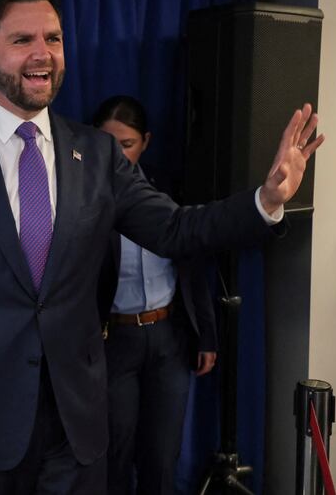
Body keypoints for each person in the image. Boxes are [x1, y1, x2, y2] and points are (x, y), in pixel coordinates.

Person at [0, 0, 324, 495]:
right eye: (22, 40)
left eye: (53, 38)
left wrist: (266, 200)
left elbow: (175, 228)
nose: (42, 54)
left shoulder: (97, 154)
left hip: (77, 426)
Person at [92, 95, 217, 494]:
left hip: (168, 335)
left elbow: (193, 264)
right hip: (114, 338)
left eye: (126, 145)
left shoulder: (168, 189)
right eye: (107, 144)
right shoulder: (83, 197)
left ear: (145, 141)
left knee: (163, 456)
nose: (117, 155)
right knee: (114, 451)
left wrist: (207, 335)